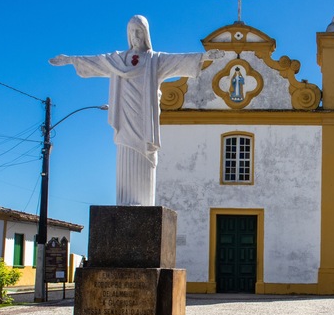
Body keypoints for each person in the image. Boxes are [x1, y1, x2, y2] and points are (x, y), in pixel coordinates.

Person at [50, 15, 224, 206]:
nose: (136, 36)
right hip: (124, 119)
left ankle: (144, 204)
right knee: (125, 155)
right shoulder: (117, 60)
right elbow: (96, 62)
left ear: (146, 34)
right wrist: (71, 60)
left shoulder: (155, 60)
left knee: (146, 155)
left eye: (139, 31)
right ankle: (124, 203)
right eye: (132, 32)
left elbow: (178, 60)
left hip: (145, 120)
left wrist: (204, 57)